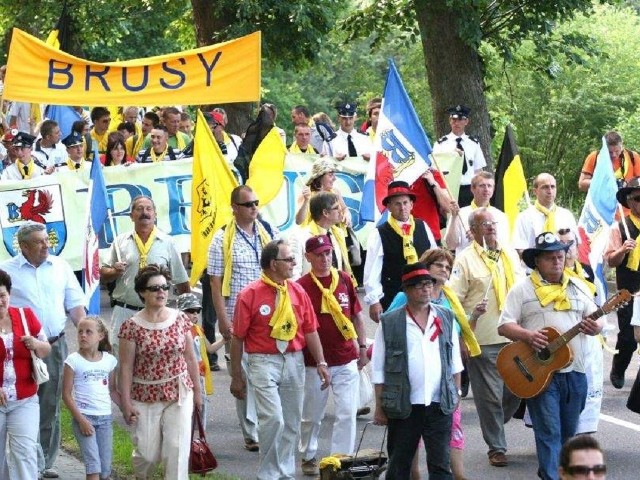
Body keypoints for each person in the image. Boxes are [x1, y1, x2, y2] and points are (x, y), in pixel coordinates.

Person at [498, 232, 602, 480]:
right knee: (549, 432)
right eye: (550, 258)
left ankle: (553, 471)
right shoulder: (522, 289)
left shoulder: (578, 286)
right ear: (537, 262)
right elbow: (504, 326)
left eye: (560, 256)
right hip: (540, 374)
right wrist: (527, 335)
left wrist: (594, 327)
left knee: (568, 433)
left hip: (575, 371)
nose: (557, 261)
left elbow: (598, 321)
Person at [230, 239, 330, 480]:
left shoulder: (297, 291)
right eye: (288, 259)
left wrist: (321, 362)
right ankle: (269, 474)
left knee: (291, 421)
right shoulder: (250, 294)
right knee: (273, 419)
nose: (294, 263)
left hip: (294, 359)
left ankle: (284, 473)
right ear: (273, 264)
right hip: (263, 361)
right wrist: (236, 376)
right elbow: (237, 338)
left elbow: (310, 329)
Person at [1, 221, 86, 479]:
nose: (46, 246)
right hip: (14, 350)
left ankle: (43, 463)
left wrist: (87, 339)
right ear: (23, 246)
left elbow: (75, 305)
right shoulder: (6, 271)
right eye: (39, 242)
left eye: (46, 240)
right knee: (19, 402)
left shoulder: (60, 266)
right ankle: (22, 461)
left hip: (53, 345)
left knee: (49, 404)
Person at [387, 250, 481, 480]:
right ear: (425, 268)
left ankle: (458, 475)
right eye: (438, 265)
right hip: (410, 388)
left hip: (446, 385)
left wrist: (475, 316)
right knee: (410, 444)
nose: (444, 270)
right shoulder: (404, 299)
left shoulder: (449, 300)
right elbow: (388, 335)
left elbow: (457, 337)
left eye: (448, 267)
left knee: (450, 435)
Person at [371, 263, 463, 479]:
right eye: (419, 285)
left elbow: (455, 362)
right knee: (399, 465)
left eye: (428, 284)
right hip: (404, 404)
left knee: (441, 465)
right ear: (407, 290)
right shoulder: (390, 322)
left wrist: (456, 393)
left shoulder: (445, 316)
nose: (426, 289)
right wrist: (379, 407)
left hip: (439, 403)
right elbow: (378, 368)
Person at [449, 208, 522, 467]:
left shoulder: (509, 254)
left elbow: (522, 290)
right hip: (483, 338)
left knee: (518, 388)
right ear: (474, 230)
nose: (490, 227)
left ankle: (494, 419)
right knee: (490, 396)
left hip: (514, 335)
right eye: (484, 224)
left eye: (493, 223)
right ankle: (497, 447)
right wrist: (461, 336)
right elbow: (454, 301)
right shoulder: (465, 260)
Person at [207, 185, 278, 452]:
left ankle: (269, 422)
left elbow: (281, 267)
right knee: (244, 372)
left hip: (270, 314)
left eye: (256, 203)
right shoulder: (221, 238)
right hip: (238, 313)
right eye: (248, 204)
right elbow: (214, 283)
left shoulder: (268, 232)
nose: (254, 208)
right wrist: (223, 321)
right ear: (234, 208)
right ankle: (251, 431)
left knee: (269, 371)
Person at [118, 264, 202, 479]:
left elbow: (191, 358)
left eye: (165, 287)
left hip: (179, 392)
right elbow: (126, 368)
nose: (161, 292)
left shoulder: (180, 319)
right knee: (146, 454)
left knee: (176, 450)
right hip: (145, 396)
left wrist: (198, 394)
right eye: (155, 288)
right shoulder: (131, 326)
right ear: (142, 293)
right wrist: (125, 403)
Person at [296, 235, 368, 476]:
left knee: (347, 412)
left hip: (346, 357)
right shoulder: (301, 286)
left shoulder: (344, 279)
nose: (325, 259)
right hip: (313, 363)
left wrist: (362, 347)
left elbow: (357, 315)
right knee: (312, 414)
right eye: (318, 254)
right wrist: (317, 360)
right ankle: (308, 454)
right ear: (308, 257)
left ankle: (339, 460)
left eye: (328, 253)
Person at [99, 195, 190, 352]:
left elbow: (181, 280)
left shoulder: (167, 242)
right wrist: (114, 271)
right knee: (121, 362)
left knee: (155, 360)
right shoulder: (120, 241)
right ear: (131, 215)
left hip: (157, 313)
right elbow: (103, 273)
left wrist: (188, 312)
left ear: (155, 214)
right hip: (125, 310)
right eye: (139, 209)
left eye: (149, 209)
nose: (144, 213)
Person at [0, 268, 51, 479]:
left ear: (9, 294)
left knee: (26, 453)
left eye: (2, 295)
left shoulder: (25, 315)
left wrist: (36, 343)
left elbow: (46, 348)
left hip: (25, 398)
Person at [364, 180, 437, 322]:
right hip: (393, 296)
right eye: (397, 204)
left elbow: (433, 258)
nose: (402, 208)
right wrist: (374, 300)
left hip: (424, 295)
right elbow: (372, 269)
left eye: (405, 203)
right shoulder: (380, 233)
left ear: (411, 204)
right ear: (389, 207)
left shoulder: (422, 226)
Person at [62, 316, 120, 480]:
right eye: (80, 332)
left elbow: (113, 390)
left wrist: (126, 408)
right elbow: (66, 395)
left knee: (105, 470)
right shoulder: (73, 360)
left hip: (105, 420)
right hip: (84, 418)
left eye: (89, 332)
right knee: (93, 466)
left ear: (100, 336)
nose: (83, 335)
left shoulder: (109, 360)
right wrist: (81, 420)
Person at [604, 177, 640, 389]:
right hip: (629, 291)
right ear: (630, 201)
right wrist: (623, 250)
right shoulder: (620, 228)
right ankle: (618, 368)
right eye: (638, 198)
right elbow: (610, 259)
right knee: (628, 337)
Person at [176, 293, 226, 431]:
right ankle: (186, 439)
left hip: (200, 374)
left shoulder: (198, 330)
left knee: (201, 406)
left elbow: (209, 349)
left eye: (197, 311)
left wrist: (224, 340)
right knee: (185, 409)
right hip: (184, 375)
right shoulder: (176, 331)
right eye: (190, 311)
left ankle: (199, 440)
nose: (194, 314)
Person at [432, 105, 487, 207]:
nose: (456, 123)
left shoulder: (473, 143)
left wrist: (480, 190)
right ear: (450, 120)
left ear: (466, 122)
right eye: (453, 119)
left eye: (460, 119)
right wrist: (451, 155)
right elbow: (435, 169)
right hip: (449, 189)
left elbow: (478, 170)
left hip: (469, 189)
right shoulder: (440, 144)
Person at [291, 191, 353, 280]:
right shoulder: (299, 237)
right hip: (310, 291)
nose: (341, 210)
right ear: (325, 213)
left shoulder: (338, 233)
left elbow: (342, 267)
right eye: (336, 208)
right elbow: (294, 274)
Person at [444, 171, 510, 255]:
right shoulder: (460, 213)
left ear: (493, 189)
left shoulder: (500, 216)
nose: (486, 189)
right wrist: (454, 217)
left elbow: (505, 246)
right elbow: (451, 245)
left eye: (489, 186)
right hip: (466, 264)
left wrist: (480, 238)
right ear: (472, 188)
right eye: (482, 185)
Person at [512, 173, 578, 255]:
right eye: (545, 187)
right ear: (535, 191)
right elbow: (520, 250)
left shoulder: (566, 215)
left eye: (553, 187)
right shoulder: (524, 217)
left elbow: (575, 246)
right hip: (534, 266)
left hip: (562, 266)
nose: (550, 191)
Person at [295, 158, 349, 226]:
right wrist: (306, 200)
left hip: (338, 235)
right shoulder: (307, 195)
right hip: (317, 235)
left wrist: (347, 214)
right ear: (319, 177)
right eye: (330, 175)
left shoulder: (335, 191)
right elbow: (298, 221)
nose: (335, 178)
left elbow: (344, 208)